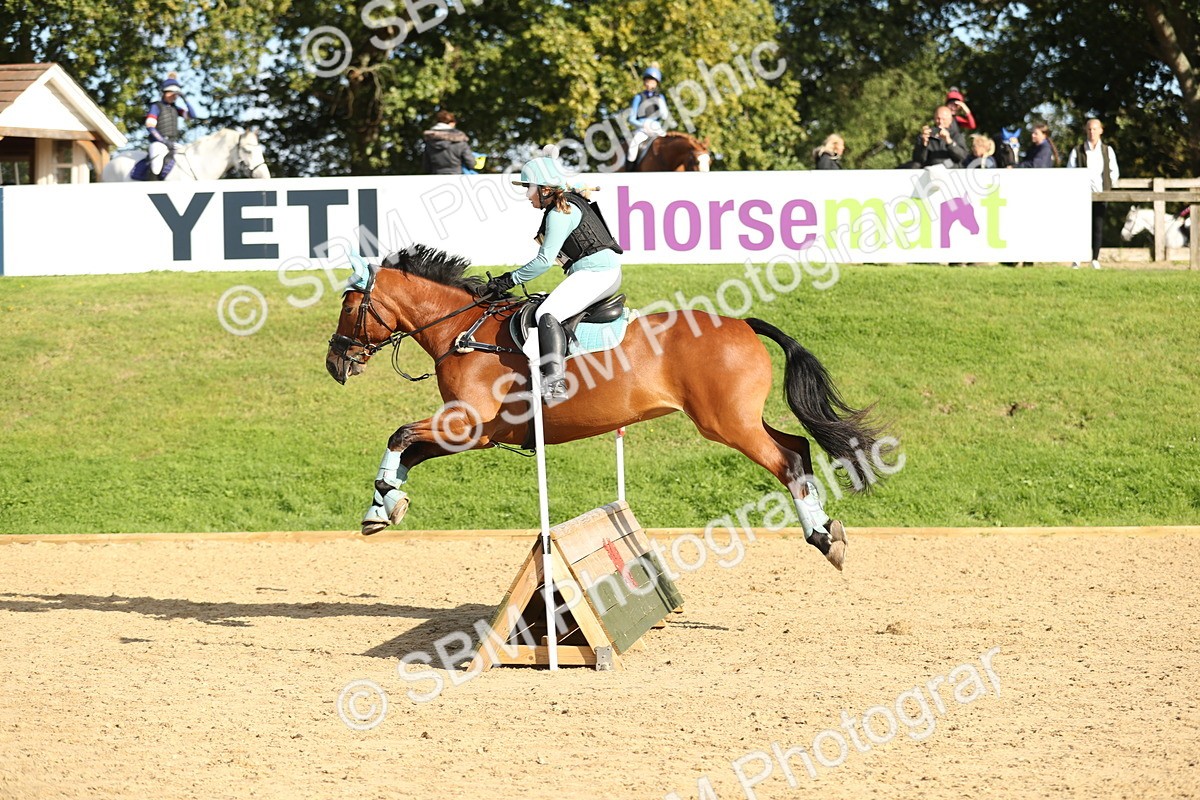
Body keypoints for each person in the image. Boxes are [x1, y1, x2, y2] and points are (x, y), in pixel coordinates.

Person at [486, 157, 624, 401]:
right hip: (595, 272)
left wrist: (508, 280)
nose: (528, 195)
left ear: (546, 190)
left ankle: (555, 383)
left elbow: (544, 261)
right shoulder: (564, 203)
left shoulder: (560, 212)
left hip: (597, 273)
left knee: (546, 315)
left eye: (530, 188)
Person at [1067, 117, 1120, 269]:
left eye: (1095, 129)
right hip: (1081, 194)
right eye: (1089, 129)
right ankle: (1076, 259)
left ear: (1101, 131)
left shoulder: (1107, 150)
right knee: (1080, 226)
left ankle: (1095, 258)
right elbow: (1070, 170)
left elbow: (1113, 171)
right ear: (1086, 131)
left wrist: (1108, 187)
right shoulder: (1078, 150)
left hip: (1101, 194)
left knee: (1097, 226)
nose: (1092, 132)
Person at [146, 73, 195, 180]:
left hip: (173, 143)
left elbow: (192, 115)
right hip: (158, 143)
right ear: (164, 93)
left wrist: (185, 99)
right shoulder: (156, 106)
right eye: (172, 93)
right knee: (156, 162)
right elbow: (150, 126)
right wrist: (163, 141)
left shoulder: (175, 109)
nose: (174, 96)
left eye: (176, 94)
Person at [626, 66, 672, 167]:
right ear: (644, 82)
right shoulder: (638, 97)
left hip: (656, 128)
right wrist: (642, 125)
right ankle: (630, 170)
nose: (649, 84)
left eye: (652, 82)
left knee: (669, 145)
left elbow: (665, 116)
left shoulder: (660, 97)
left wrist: (661, 103)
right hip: (642, 129)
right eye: (647, 81)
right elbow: (631, 118)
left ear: (656, 84)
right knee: (632, 148)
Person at [422, 111, 476, 175]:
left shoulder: (430, 140)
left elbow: (426, 166)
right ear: (452, 123)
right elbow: (471, 164)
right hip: (456, 178)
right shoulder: (460, 139)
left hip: (436, 178)